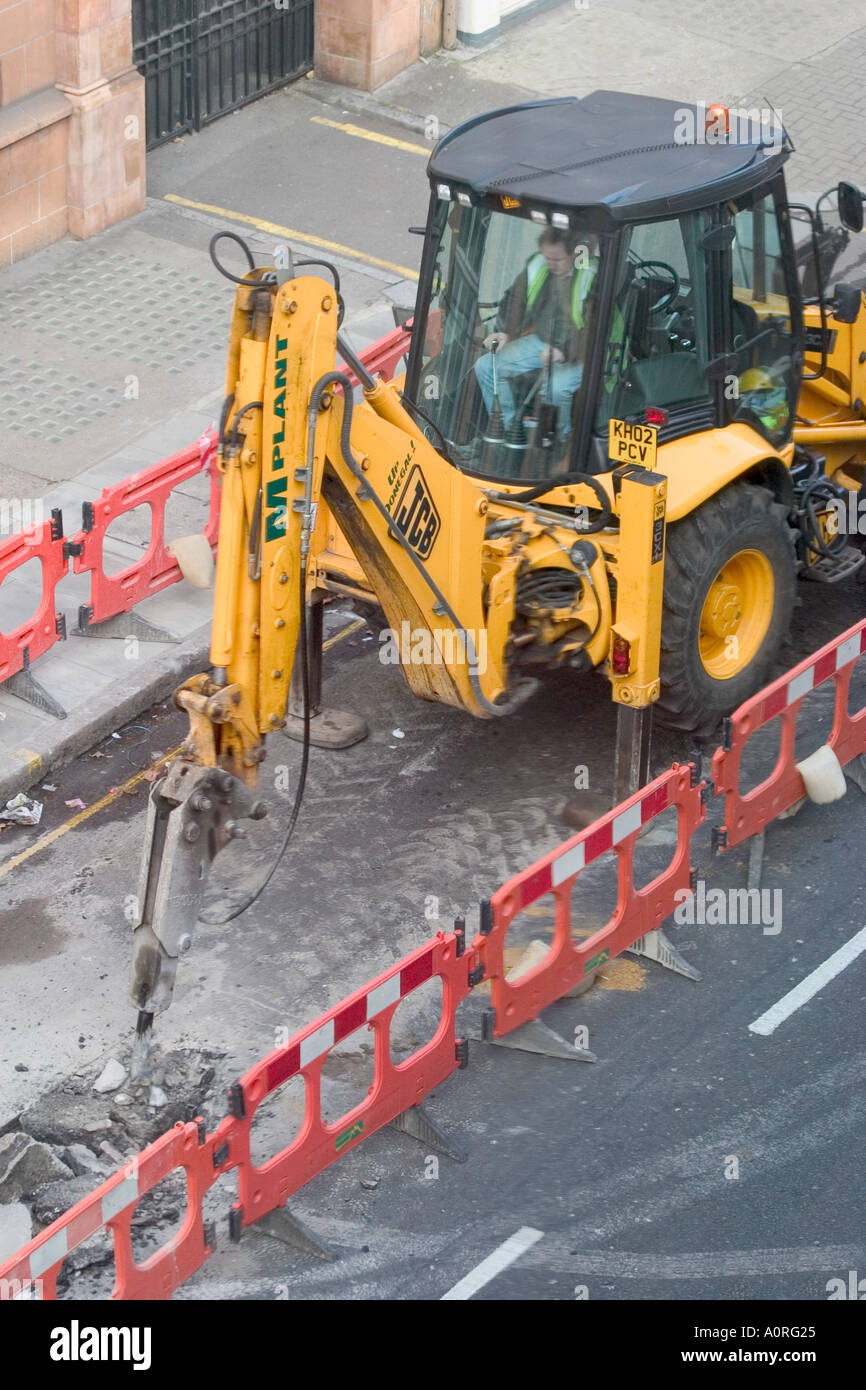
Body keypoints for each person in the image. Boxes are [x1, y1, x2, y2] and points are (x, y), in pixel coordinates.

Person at [474, 227, 599, 437]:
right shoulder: (538, 265)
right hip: (543, 341)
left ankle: (561, 440)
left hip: (582, 351)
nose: (550, 263)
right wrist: (504, 332)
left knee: (555, 388)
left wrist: (564, 352)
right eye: (547, 257)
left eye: (557, 259)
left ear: (573, 254)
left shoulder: (591, 276)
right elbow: (515, 299)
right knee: (486, 366)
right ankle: (508, 429)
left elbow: (593, 329)